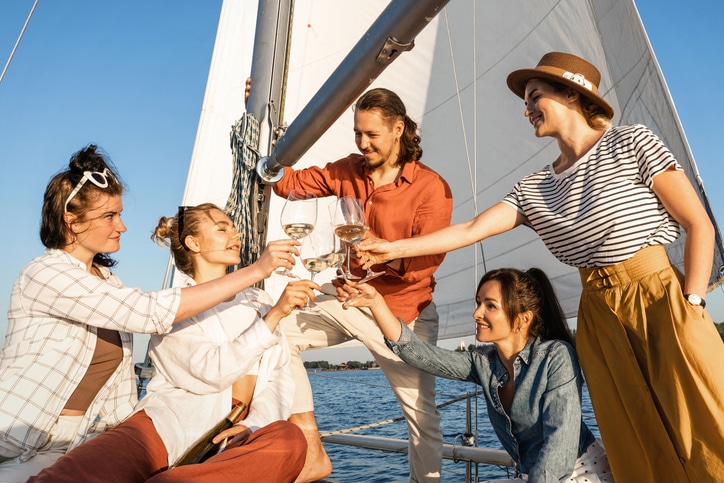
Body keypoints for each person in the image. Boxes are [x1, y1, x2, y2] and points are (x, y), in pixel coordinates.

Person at [360, 52, 724, 482]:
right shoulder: (536, 187)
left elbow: (697, 222)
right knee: (635, 432)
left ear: (572, 94)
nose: (526, 107)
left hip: (659, 295)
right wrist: (391, 247)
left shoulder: (632, 142)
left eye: (535, 96)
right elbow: (472, 229)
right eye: (525, 100)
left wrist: (693, 303)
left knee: (706, 415)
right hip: (598, 318)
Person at [0, 145, 300, 481]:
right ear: (72, 221)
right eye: (109, 216)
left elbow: (278, 379)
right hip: (17, 437)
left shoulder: (109, 282)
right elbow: (148, 313)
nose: (123, 226)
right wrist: (257, 272)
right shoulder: (45, 274)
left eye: (120, 213)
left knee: (290, 441)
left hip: (81, 437)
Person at [273, 87, 453, 482]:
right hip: (347, 298)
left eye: (372, 135)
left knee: (422, 419)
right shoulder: (347, 169)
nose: (362, 143)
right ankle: (309, 444)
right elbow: (290, 184)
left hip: (402, 314)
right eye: (357, 133)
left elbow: (427, 262)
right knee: (274, 329)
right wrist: (262, 125)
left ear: (399, 129)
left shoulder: (431, 188)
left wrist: (388, 253)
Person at [340, 268, 612, 482]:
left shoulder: (556, 356)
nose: (476, 313)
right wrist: (376, 303)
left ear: (523, 318)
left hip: (582, 472)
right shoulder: (484, 363)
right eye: (478, 303)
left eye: (490, 306)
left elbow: (558, 448)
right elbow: (417, 353)